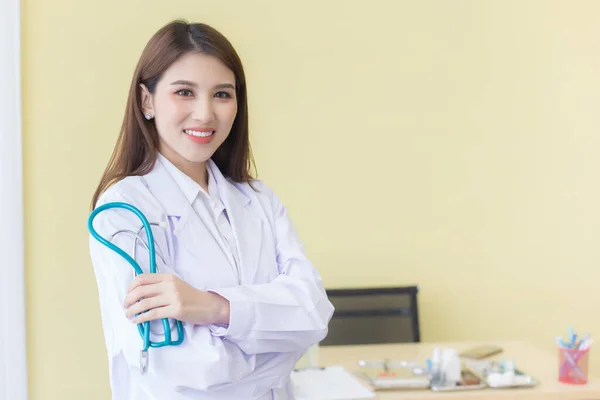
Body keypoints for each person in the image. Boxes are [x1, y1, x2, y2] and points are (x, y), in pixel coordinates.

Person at [88, 20, 334, 400]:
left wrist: (214, 308)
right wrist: (279, 344)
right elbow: (177, 371)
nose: (205, 114)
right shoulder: (122, 213)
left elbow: (315, 313)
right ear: (146, 101)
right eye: (184, 92)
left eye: (222, 94)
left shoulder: (258, 200)